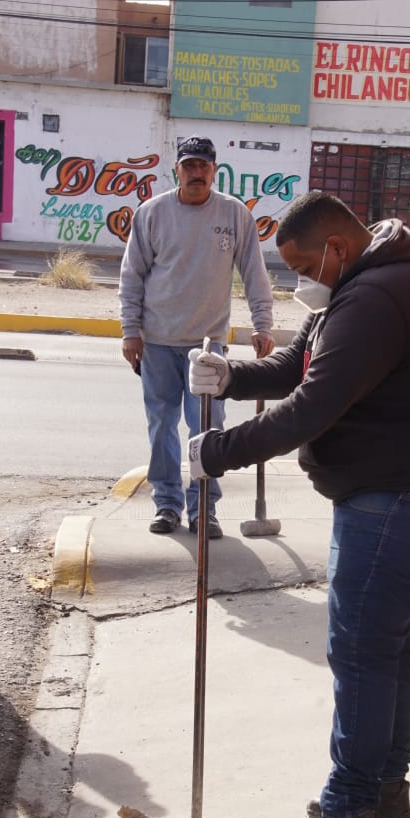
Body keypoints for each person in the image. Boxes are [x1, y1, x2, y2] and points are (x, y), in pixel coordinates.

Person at [186, 191, 410, 818]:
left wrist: (218, 451)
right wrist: (232, 377)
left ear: (336, 249)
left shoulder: (378, 298)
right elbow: (301, 365)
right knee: (390, 647)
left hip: (402, 501)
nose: (298, 280)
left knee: (359, 652)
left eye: (299, 265)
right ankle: (383, 793)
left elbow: (310, 407)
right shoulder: (365, 283)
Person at [119, 135, 275, 539]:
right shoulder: (152, 213)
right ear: (177, 170)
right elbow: (132, 275)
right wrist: (130, 332)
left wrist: (263, 324)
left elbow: (254, 272)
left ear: (214, 171)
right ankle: (167, 505)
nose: (196, 173)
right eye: (189, 166)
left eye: (204, 166)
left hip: (208, 346)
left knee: (207, 429)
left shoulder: (234, 214)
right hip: (157, 341)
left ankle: (203, 508)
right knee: (161, 426)